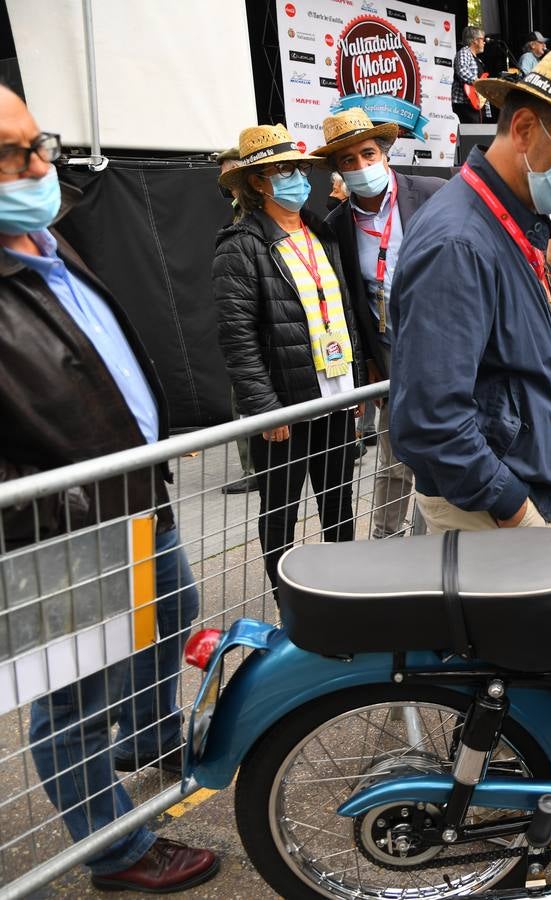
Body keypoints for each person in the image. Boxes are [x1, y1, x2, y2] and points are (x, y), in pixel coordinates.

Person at [0, 86, 217, 893]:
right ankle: (116, 852)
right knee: (72, 705)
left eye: (38, 143)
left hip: (133, 504)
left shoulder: (44, 241)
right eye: (13, 154)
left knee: (175, 615)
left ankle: (152, 738)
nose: (39, 165)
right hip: (59, 533)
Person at [391, 48, 551, 532]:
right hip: (487, 514)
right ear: (523, 129)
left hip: (508, 498)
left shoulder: (509, 220)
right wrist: (512, 507)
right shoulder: (460, 241)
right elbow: (432, 418)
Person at [213, 124, 363, 591]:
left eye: (299, 167)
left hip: (334, 395)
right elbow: (237, 337)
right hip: (285, 406)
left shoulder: (323, 232)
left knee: (340, 503)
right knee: (280, 513)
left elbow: (345, 311)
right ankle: (291, 606)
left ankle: (346, 594)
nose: (296, 177)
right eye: (282, 170)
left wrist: (354, 381)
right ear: (258, 182)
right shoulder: (240, 246)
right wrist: (265, 406)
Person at [315, 109, 443, 538]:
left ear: (384, 154)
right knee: (393, 456)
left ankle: (430, 545)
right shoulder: (334, 228)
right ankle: (385, 542)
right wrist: (366, 359)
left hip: (446, 349)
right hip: (390, 357)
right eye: (347, 161)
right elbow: (348, 301)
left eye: (367, 153)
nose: (360, 166)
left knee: (441, 454)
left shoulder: (431, 193)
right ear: (338, 171)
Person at [214, 147, 259, 496]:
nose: (226, 182)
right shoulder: (238, 216)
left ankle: (254, 468)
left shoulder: (249, 216)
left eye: (230, 174)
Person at [453, 25, 490, 124]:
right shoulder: (464, 52)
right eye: (482, 39)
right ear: (475, 40)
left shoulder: (478, 60)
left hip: (476, 103)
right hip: (466, 103)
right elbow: (462, 70)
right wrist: (478, 83)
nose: (484, 42)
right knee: (471, 136)